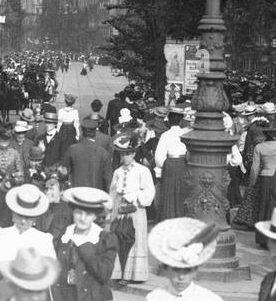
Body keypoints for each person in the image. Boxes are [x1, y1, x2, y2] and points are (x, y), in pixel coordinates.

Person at [0, 184, 56, 301]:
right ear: (13, 215)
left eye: (28, 217)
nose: (23, 221)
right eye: (20, 215)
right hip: (3, 297)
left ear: (34, 219)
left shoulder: (43, 240)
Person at [108, 135, 153, 285]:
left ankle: (132, 273)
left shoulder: (142, 171)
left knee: (133, 239)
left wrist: (133, 197)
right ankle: (118, 272)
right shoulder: (118, 172)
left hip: (135, 211)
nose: (125, 157)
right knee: (118, 237)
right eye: (122, 154)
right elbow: (113, 191)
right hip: (120, 209)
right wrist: (111, 207)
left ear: (134, 153)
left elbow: (149, 192)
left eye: (128, 154)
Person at [153, 109, 189, 220]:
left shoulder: (165, 135)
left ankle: (168, 216)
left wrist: (163, 165)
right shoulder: (186, 134)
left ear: (169, 120)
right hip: (183, 163)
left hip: (169, 163)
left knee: (168, 191)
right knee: (182, 190)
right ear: (181, 120)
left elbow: (159, 157)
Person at [66, 120, 111, 192]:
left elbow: (65, 171)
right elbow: (107, 178)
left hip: (77, 193)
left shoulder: (73, 149)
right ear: (95, 133)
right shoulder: (103, 153)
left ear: (82, 132)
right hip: (96, 194)